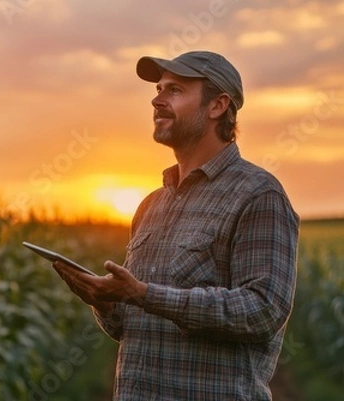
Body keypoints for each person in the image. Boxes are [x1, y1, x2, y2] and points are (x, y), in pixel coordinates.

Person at [52, 50, 299, 400]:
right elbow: (132, 326)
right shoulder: (150, 206)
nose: (157, 100)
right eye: (158, 89)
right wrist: (105, 303)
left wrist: (145, 294)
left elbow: (262, 311)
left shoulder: (259, 194)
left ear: (217, 106)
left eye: (175, 90)